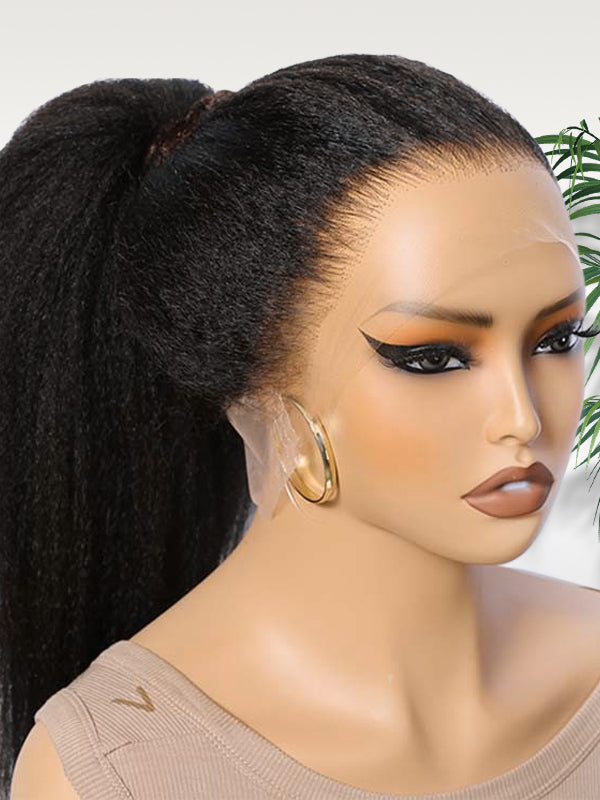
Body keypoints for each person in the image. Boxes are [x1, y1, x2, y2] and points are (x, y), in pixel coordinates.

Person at [5, 54, 600, 800]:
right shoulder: (111, 773)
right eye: (433, 358)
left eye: (555, 339)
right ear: (262, 386)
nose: (523, 417)